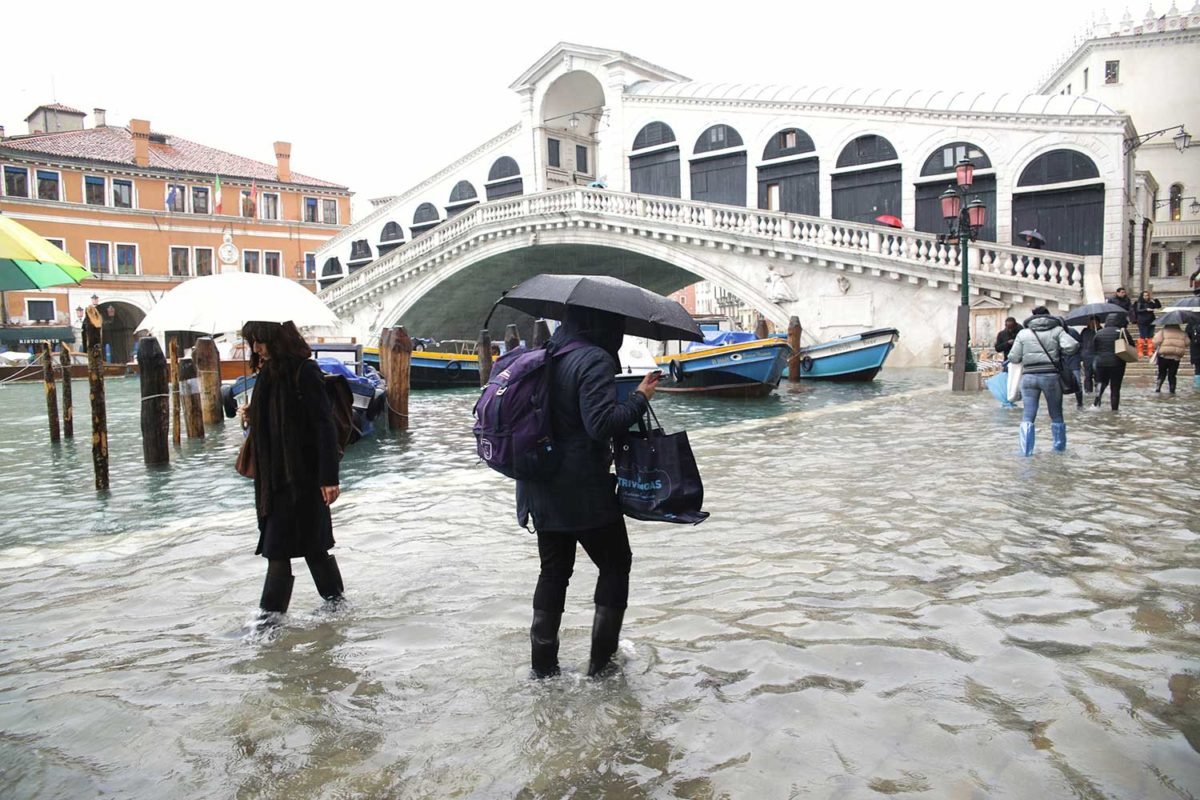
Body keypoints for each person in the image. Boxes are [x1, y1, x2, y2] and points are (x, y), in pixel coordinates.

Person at [518, 306, 661, 679]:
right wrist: (640, 397)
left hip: (538, 482)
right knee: (616, 564)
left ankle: (543, 670)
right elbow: (600, 425)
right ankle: (602, 666)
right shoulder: (593, 359)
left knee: (553, 572)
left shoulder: (547, 354)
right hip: (581, 487)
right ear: (604, 323)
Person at [241, 320, 344, 621]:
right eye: (252, 343)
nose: (256, 348)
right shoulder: (266, 374)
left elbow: (324, 426)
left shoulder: (305, 371)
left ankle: (269, 620)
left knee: (289, 548)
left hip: (305, 478)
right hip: (273, 479)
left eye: (260, 341)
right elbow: (269, 421)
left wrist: (329, 478)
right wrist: (250, 415)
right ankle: (336, 603)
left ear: (278, 339)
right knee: (302, 547)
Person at [1007, 307, 1078, 455]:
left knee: (1028, 414)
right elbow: (1072, 346)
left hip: (1028, 377)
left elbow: (1013, 357)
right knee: (1056, 413)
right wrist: (1060, 351)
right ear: (1048, 316)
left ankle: (1026, 451)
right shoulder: (1057, 331)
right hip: (1051, 377)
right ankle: (1059, 450)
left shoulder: (1023, 333)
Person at [1092, 313, 1136, 411]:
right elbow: (1131, 345)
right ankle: (1114, 411)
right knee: (1115, 388)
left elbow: (1094, 348)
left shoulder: (1099, 332)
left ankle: (1096, 403)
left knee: (1101, 383)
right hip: (1117, 363)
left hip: (1101, 363)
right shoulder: (1121, 331)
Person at [1152, 322, 1188, 393]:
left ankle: (1158, 386)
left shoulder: (1162, 332)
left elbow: (1156, 341)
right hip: (1175, 357)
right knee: (1172, 375)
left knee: (1162, 373)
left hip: (1163, 356)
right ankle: (1172, 389)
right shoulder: (1182, 333)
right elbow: (1187, 342)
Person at [1133, 290, 1162, 357]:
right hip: (1142, 321)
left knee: (1150, 336)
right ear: (1142, 296)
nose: (1146, 297)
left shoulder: (1150, 302)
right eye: (1145, 295)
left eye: (1147, 295)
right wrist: (1146, 309)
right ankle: (1140, 351)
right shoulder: (1139, 302)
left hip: (1151, 320)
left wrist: (1155, 299)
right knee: (1142, 336)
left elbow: (1158, 306)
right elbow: (1138, 310)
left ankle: (1150, 351)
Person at [1079, 317, 1100, 393]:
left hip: (1098, 356)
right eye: (1091, 322)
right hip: (1087, 356)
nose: (1092, 324)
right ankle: (1088, 391)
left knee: (1098, 376)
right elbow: (1080, 342)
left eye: (1094, 322)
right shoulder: (1085, 331)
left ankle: (1098, 392)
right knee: (1088, 376)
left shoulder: (1100, 331)